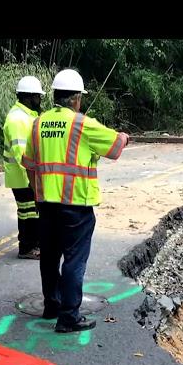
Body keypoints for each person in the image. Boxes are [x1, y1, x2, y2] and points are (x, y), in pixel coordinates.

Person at [22, 69, 130, 332]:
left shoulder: (37, 124)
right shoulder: (82, 123)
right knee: (74, 260)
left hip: (46, 205)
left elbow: (29, 164)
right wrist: (125, 137)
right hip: (75, 207)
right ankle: (69, 317)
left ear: (55, 96)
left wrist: (38, 195)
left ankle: (52, 305)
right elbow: (115, 147)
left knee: (49, 258)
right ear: (76, 99)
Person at [2, 76, 45, 259]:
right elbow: (21, 154)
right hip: (22, 176)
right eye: (38, 96)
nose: (40, 100)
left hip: (24, 175)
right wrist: (32, 178)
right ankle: (27, 247)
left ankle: (33, 245)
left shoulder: (26, 115)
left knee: (31, 211)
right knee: (28, 212)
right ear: (29, 97)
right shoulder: (18, 119)